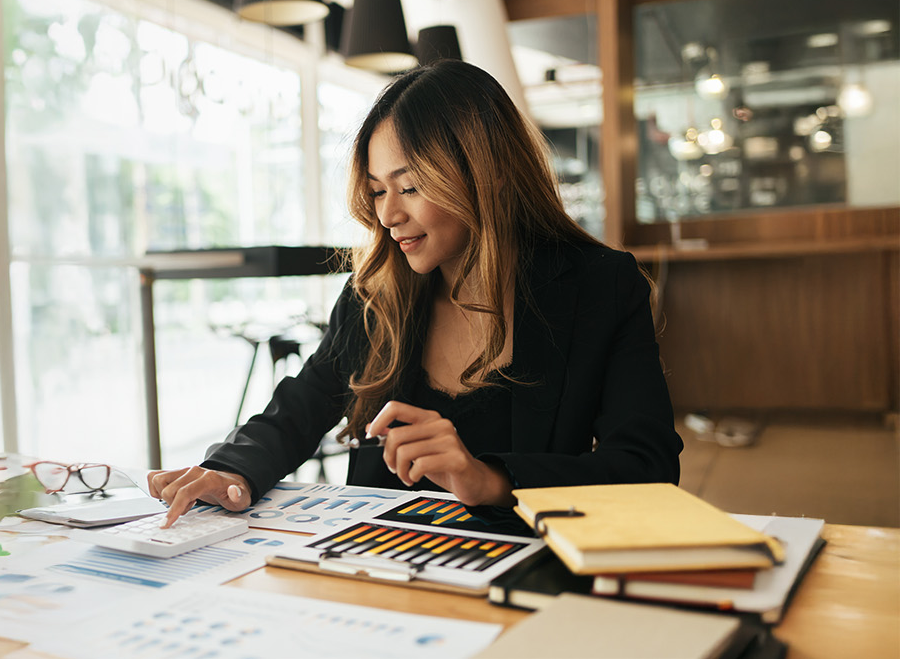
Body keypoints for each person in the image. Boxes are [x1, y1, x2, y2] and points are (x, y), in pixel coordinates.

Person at [149, 60, 681, 528]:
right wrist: (230, 468)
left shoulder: (600, 285)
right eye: (378, 190)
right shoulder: (377, 292)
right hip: (373, 567)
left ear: (484, 174)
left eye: (409, 187)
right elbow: (301, 407)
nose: (387, 215)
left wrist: (487, 479)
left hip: (522, 567)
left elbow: (646, 467)